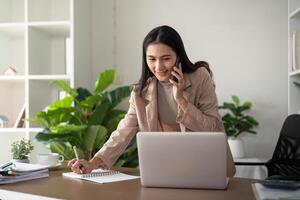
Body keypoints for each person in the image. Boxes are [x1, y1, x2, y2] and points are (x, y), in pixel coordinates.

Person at [68, 25, 236, 176]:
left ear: (178, 56)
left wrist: (181, 99)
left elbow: (212, 128)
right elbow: (123, 132)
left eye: (166, 58)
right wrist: (93, 163)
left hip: (206, 165)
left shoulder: (200, 77)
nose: (158, 67)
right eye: (152, 59)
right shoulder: (141, 92)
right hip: (167, 168)